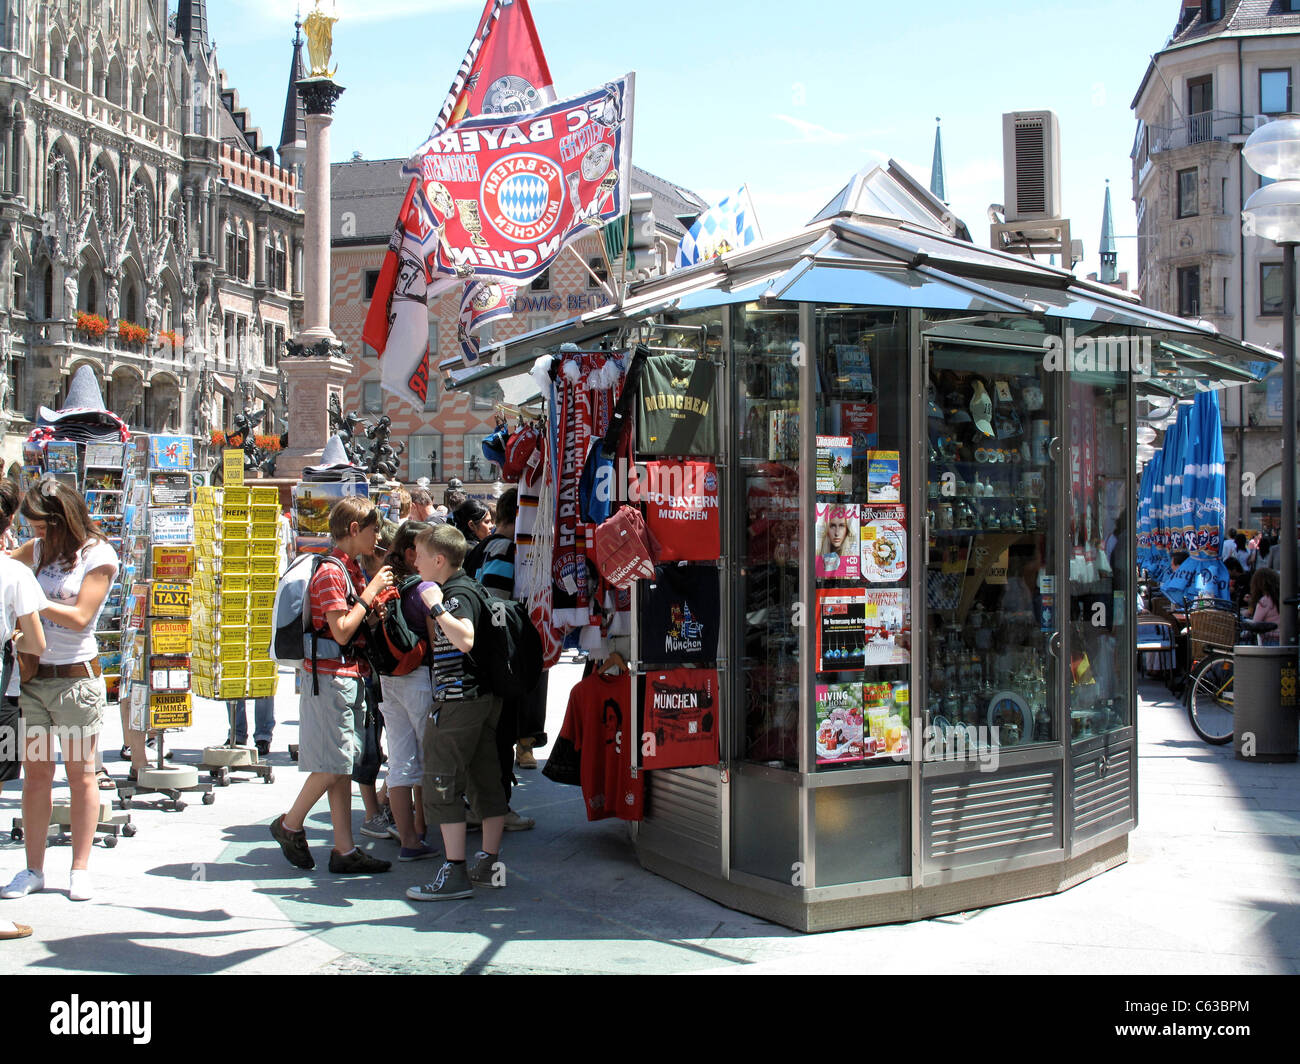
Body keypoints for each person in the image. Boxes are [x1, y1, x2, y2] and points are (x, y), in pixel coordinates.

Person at [1, 480, 118, 903]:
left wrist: (30, 597)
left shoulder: (97, 554)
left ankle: (79, 867)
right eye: (30, 527)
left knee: (80, 774)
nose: (36, 535)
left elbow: (82, 617)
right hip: (33, 680)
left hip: (74, 680)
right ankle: (33, 868)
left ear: (61, 521)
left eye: (41, 527)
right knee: (36, 777)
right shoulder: (34, 550)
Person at [268, 496, 394, 875]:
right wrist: (370, 594)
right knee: (333, 763)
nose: (378, 537)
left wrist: (371, 610)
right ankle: (290, 824)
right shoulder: (332, 572)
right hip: (330, 676)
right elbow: (340, 631)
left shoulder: (347, 568)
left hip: (341, 676)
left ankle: (343, 848)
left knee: (339, 764)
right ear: (354, 530)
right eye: (374, 530)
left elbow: (349, 626)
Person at [406, 524, 507, 901]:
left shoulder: (454, 593)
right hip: (481, 698)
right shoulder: (473, 586)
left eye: (418, 554)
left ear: (438, 559)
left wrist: (433, 602)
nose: (413, 561)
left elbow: (464, 638)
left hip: (458, 700)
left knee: (441, 782)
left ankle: (455, 872)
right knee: (485, 779)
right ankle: (490, 866)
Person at [463, 489, 539, 823]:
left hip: (480, 657)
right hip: (495, 659)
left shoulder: (482, 547)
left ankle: (484, 805)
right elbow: (495, 604)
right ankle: (497, 809)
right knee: (500, 733)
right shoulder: (504, 549)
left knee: (489, 735)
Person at [377, 521, 438, 860]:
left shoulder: (386, 582)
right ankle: (424, 827)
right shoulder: (421, 588)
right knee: (429, 758)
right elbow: (435, 640)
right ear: (413, 552)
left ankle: (408, 841)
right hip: (419, 677)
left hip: (390, 678)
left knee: (399, 762)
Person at [1247, 567, 1281, 645]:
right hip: (1284, 638)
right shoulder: (1281, 597)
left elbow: (1255, 625)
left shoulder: (1264, 601)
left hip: (1269, 640)